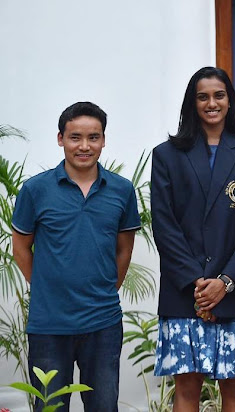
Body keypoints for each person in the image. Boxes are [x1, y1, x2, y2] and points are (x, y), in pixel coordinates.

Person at [151, 66, 235, 412]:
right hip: (183, 292)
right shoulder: (167, 154)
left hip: (233, 294)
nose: (211, 103)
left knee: (234, 393)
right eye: (202, 96)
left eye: (219, 95)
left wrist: (225, 282)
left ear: (230, 101)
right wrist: (196, 282)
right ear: (192, 103)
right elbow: (164, 224)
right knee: (186, 393)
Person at [11, 102, 140, 411]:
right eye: (75, 137)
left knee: (104, 406)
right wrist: (45, 287)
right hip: (49, 325)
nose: (85, 146)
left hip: (104, 323)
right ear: (60, 139)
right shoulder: (35, 190)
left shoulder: (122, 190)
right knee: (51, 407)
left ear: (103, 140)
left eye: (93, 137)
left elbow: (124, 249)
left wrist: (106, 288)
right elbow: (20, 248)